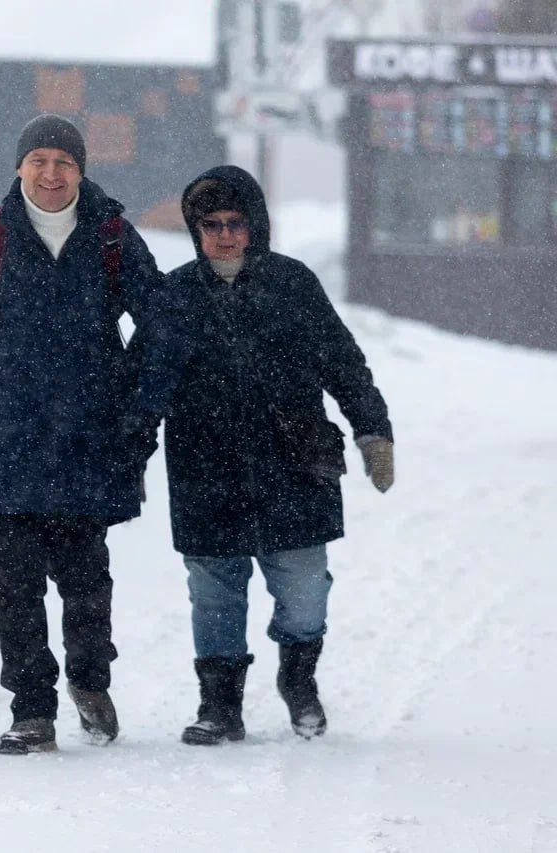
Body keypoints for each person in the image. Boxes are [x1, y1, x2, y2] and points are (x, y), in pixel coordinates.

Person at [0, 115, 182, 755]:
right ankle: (31, 709)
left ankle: (90, 679)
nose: (51, 174)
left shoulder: (112, 237)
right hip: (7, 438)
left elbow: (163, 325)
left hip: (91, 437)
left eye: (64, 162)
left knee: (87, 578)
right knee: (17, 583)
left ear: (81, 172)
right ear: (19, 168)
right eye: (39, 160)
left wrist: (138, 408)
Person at [141, 165, 393, 745]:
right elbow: (143, 384)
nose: (225, 235)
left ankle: (297, 678)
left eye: (237, 223)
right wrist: (124, 456)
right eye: (212, 225)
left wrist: (373, 432)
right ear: (195, 229)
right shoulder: (175, 296)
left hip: (295, 467)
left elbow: (343, 363)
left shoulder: (294, 284)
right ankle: (219, 706)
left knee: (305, 593)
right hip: (206, 471)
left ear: (256, 226)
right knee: (214, 594)